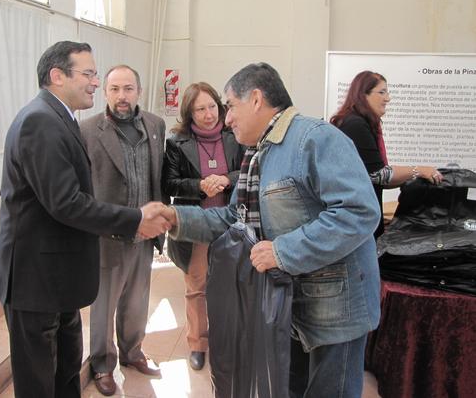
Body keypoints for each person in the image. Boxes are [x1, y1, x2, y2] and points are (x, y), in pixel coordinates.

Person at [162, 63, 382, 397]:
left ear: (255, 99)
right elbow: (233, 219)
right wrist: (174, 218)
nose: (227, 118)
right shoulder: (258, 153)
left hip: (335, 310)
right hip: (287, 305)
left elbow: (359, 212)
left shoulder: (315, 139)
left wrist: (282, 251)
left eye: (230, 106)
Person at [0, 42, 170, 398]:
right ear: (57, 76)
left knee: (66, 371)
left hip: (57, 276)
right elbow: (67, 203)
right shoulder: (40, 122)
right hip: (35, 279)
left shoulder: (59, 117)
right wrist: (135, 218)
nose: (95, 82)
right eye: (88, 74)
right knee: (38, 382)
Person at [80, 65, 166, 396]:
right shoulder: (88, 130)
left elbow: (158, 177)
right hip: (107, 233)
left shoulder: (156, 126)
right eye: (114, 89)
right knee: (104, 302)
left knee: (137, 299)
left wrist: (159, 222)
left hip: (145, 233)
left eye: (128, 89)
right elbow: (83, 186)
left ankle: (132, 352)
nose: (121, 96)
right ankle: (102, 363)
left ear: (139, 92)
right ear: (105, 93)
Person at [162, 82, 245, 371]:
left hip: (231, 224)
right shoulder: (177, 142)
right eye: (200, 109)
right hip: (197, 227)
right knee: (196, 287)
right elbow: (170, 183)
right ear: (189, 112)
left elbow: (248, 168)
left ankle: (228, 341)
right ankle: (198, 343)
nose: (208, 114)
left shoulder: (235, 134)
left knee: (230, 286)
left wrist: (225, 179)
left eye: (212, 106)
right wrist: (200, 186)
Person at [330, 71, 443, 238]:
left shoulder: (357, 122)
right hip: (356, 224)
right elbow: (379, 175)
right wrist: (418, 170)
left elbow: (378, 179)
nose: (387, 98)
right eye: (381, 92)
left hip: (358, 221)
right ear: (363, 95)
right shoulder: (355, 125)